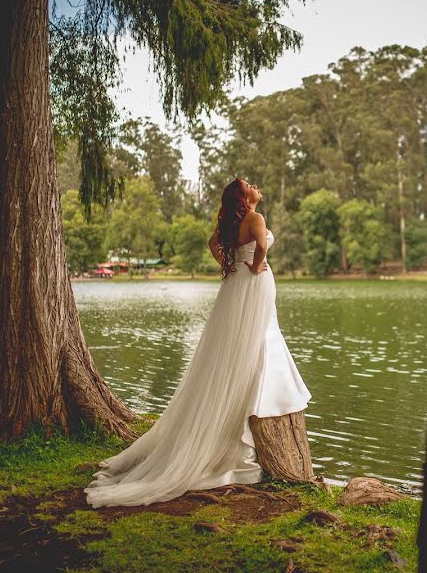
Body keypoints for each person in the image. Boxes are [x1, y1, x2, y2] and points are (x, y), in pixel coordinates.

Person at [85, 177, 312, 508]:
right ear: (243, 196)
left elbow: (212, 243)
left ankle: (247, 393)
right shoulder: (255, 219)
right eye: (249, 185)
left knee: (237, 343)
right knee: (257, 337)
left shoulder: (237, 222)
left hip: (236, 288)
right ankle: (254, 396)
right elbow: (261, 246)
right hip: (254, 284)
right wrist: (257, 265)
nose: (255, 186)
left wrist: (231, 266)